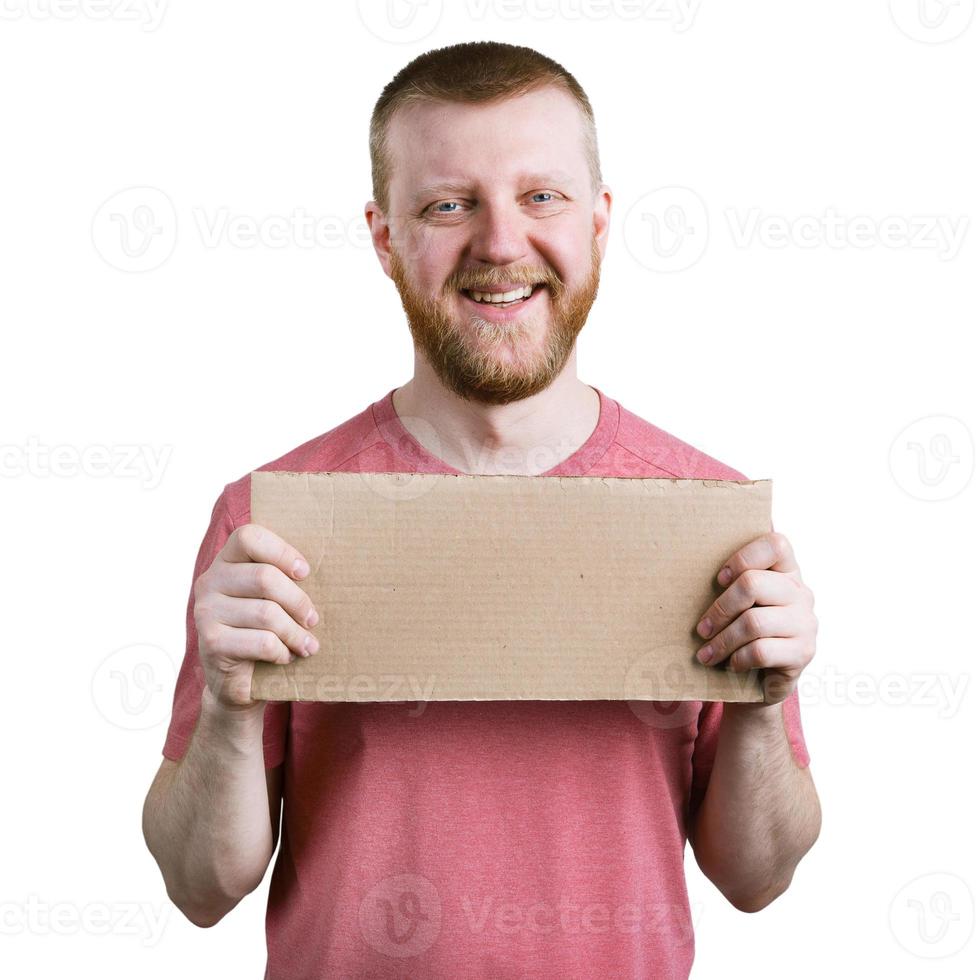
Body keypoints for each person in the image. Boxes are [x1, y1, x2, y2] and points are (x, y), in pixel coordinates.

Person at [142, 41, 821, 978]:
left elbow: (757, 878)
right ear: (384, 237)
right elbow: (198, 886)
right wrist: (225, 707)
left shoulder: (707, 517)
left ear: (599, 222)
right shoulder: (270, 525)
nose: (501, 243)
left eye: (542, 196)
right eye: (449, 204)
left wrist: (761, 704)